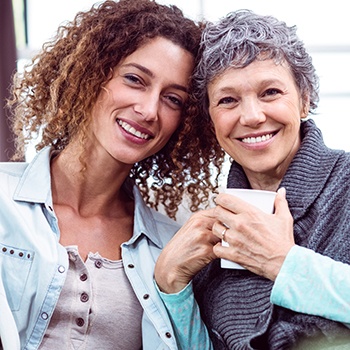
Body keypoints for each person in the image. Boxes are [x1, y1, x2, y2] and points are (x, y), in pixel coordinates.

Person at [0, 0, 216, 349]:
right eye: (134, 80)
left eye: (173, 99)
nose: (148, 110)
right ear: (91, 73)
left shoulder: (168, 246)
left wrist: (173, 282)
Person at [154, 9, 350, 349]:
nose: (252, 116)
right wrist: (172, 287)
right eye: (228, 100)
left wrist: (284, 263)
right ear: (211, 119)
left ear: (304, 100)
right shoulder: (207, 235)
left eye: (270, 92)